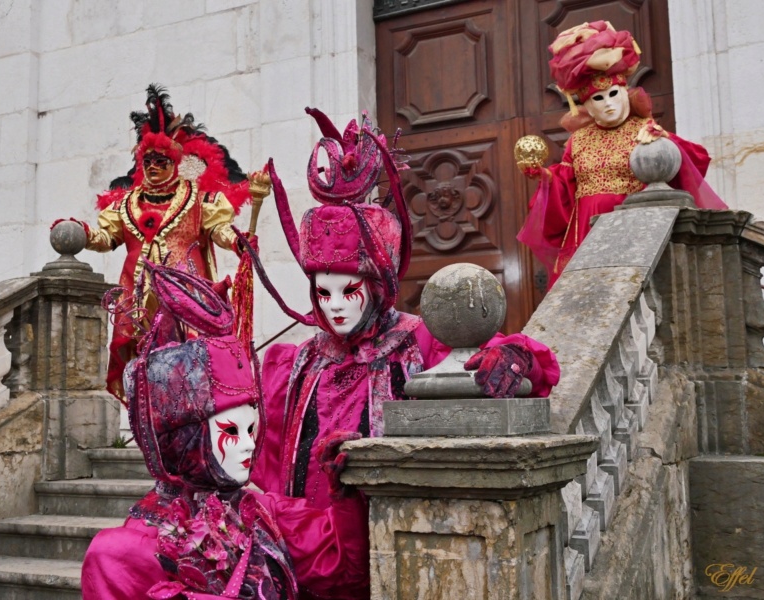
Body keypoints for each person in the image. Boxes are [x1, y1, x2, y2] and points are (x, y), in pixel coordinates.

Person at [245, 108, 561, 599]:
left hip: (403, 539)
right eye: (322, 293)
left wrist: (518, 359)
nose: (335, 308)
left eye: (349, 291)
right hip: (310, 549)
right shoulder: (296, 364)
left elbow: (510, 358)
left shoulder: (421, 339)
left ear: (380, 285)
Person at [81, 264, 369, 599]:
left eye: (252, 430)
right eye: (232, 431)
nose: (249, 446)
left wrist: (343, 495)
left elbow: (349, 575)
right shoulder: (125, 550)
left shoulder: (267, 512)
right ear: (187, 440)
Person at [52, 84, 253, 400]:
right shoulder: (125, 205)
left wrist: (239, 242)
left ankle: (191, 409)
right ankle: (148, 412)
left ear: (174, 164)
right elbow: (108, 238)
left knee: (191, 358)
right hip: (138, 298)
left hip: (187, 293)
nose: (154, 167)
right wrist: (85, 235)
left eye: (162, 161)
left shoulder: (199, 200)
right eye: (149, 162)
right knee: (144, 362)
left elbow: (219, 230)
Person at [517, 21, 727, 286]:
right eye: (598, 98)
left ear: (626, 93)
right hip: (585, 234)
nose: (608, 104)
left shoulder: (645, 129)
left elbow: (693, 160)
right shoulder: (577, 141)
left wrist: (663, 140)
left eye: (614, 94)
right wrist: (544, 177)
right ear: (586, 106)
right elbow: (565, 188)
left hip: (633, 229)